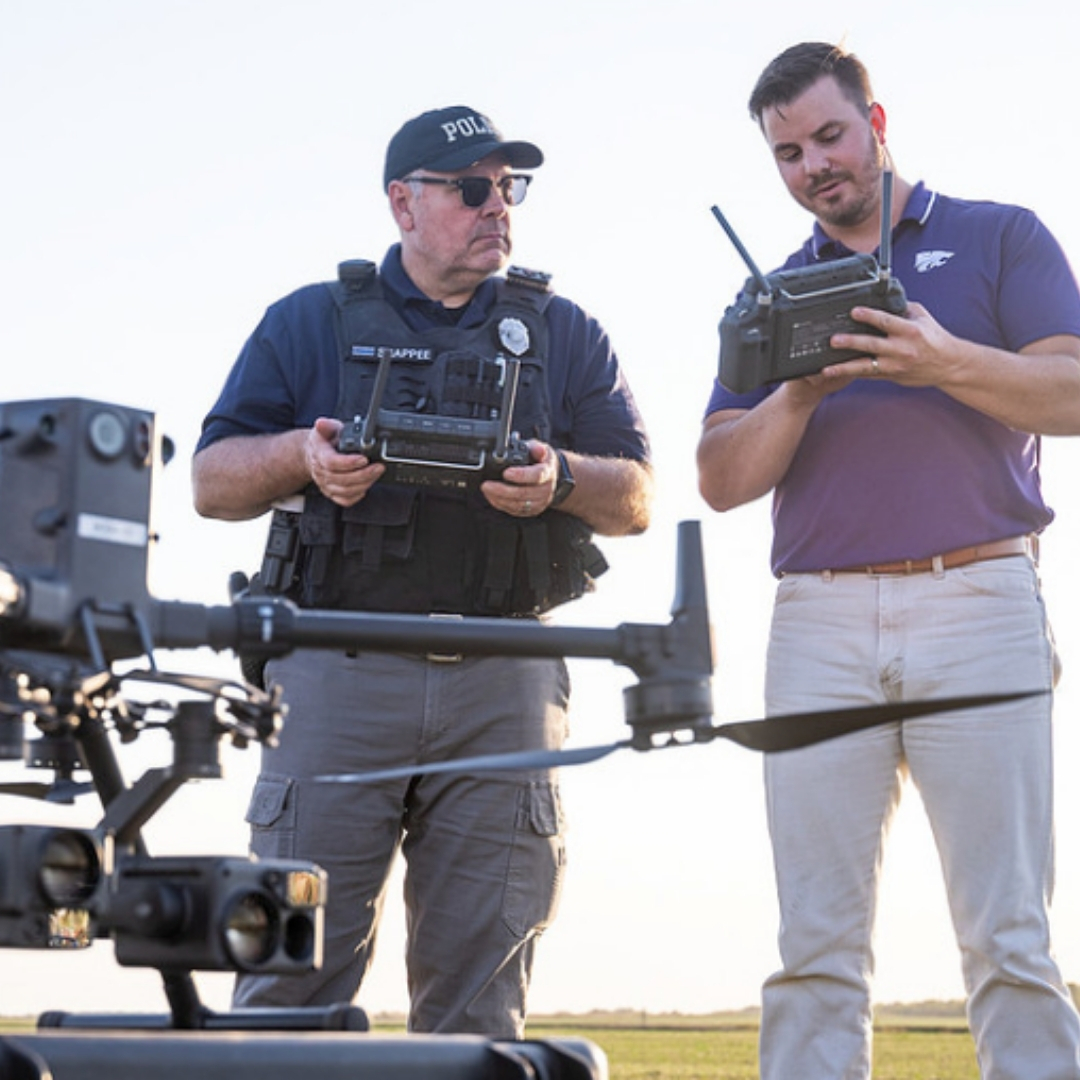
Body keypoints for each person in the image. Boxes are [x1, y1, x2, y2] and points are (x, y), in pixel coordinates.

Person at [192, 104, 653, 1037]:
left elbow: (636, 494)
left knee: (482, 1001)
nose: (499, 208)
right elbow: (210, 481)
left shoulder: (564, 331)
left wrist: (561, 477)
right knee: (289, 981)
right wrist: (303, 457)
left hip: (501, 674)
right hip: (335, 671)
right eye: (472, 189)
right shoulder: (310, 321)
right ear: (402, 202)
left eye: (509, 188)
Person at [696, 42, 1080, 1080]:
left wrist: (938, 359)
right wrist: (799, 392)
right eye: (787, 153)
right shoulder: (772, 294)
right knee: (814, 944)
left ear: (875, 119)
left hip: (981, 597)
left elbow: (1073, 392)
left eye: (827, 135)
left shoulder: (998, 237)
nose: (813, 165)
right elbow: (721, 478)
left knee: (1008, 935)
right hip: (816, 623)